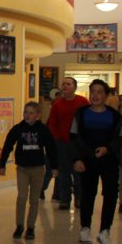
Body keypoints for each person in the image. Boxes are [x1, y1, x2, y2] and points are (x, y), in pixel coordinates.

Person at [71, 79, 122, 244]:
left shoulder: (115, 116)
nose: (95, 95)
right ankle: (85, 228)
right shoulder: (80, 114)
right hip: (87, 161)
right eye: (93, 91)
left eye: (100, 92)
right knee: (88, 194)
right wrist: (77, 159)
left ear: (106, 95)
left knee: (110, 195)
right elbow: (73, 138)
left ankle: (104, 231)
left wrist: (107, 149)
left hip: (109, 161)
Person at [0, 101, 57, 239]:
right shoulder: (18, 129)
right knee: (22, 197)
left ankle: (31, 227)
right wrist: (2, 164)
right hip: (22, 169)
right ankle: (19, 225)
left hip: (38, 169)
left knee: (34, 199)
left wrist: (55, 166)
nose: (27, 115)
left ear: (37, 115)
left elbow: (51, 148)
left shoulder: (43, 129)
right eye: (26, 112)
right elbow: (8, 145)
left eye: (31, 113)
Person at [44, 76, 89, 209]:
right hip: (62, 143)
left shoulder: (82, 102)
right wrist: (57, 138)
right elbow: (52, 123)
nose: (65, 86)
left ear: (74, 87)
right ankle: (65, 199)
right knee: (63, 173)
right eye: (63, 84)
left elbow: (87, 120)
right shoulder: (57, 103)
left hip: (78, 144)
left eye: (68, 84)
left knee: (78, 173)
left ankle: (79, 198)